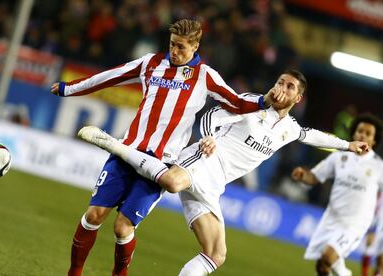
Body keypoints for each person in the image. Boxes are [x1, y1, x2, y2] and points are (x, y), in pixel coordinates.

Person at [77, 69, 369, 275]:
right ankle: (115, 145)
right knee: (173, 183)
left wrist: (347, 145)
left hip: (216, 185)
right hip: (204, 159)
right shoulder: (254, 104)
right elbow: (213, 115)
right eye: (281, 81)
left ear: (298, 98)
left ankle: (119, 148)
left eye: (290, 86)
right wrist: (209, 137)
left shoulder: (290, 129)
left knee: (216, 254)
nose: (282, 87)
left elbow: (314, 136)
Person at [51, 19, 279, 276]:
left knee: (122, 228)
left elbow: (236, 103)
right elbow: (109, 77)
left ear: (195, 46)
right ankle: (74, 272)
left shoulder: (205, 75)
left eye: (181, 47)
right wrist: (69, 89)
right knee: (93, 215)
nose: (174, 51)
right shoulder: (150, 63)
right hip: (127, 151)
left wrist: (263, 101)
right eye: (172, 45)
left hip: (160, 164)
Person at [291, 113, 383, 276]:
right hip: (332, 219)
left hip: (355, 224)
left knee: (328, 256)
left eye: (368, 133)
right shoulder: (338, 157)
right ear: (354, 133)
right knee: (322, 267)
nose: (363, 135)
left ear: (374, 141)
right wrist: (303, 176)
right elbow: (315, 177)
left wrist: (376, 229)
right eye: (360, 131)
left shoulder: (378, 166)